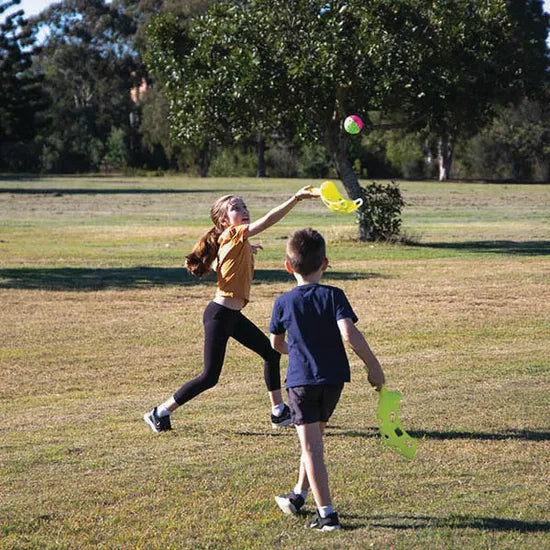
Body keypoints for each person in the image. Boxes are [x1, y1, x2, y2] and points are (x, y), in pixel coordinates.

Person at [143, 187, 316, 433]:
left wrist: (247, 249)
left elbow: (221, 261)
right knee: (209, 376)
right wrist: (295, 198)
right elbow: (268, 220)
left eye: (244, 206)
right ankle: (159, 412)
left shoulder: (234, 240)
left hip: (231, 315)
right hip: (220, 315)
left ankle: (278, 411)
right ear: (224, 221)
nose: (244, 210)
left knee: (270, 353)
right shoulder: (234, 233)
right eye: (236, 208)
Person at [269, 228, 385, 531]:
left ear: (288, 266)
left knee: (311, 448)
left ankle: (327, 516)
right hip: (333, 381)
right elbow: (349, 334)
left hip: (301, 383)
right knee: (313, 441)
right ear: (325, 263)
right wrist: (373, 366)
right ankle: (298, 494)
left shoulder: (283, 302)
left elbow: (275, 344)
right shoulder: (334, 295)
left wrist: (295, 351)